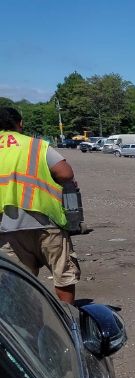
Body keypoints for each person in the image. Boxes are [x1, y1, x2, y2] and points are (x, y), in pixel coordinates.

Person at [0, 106, 80, 303]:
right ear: (20, 124)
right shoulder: (36, 145)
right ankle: (69, 321)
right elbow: (66, 173)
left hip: (6, 227)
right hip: (45, 220)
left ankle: (22, 325)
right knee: (63, 275)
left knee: (18, 280)